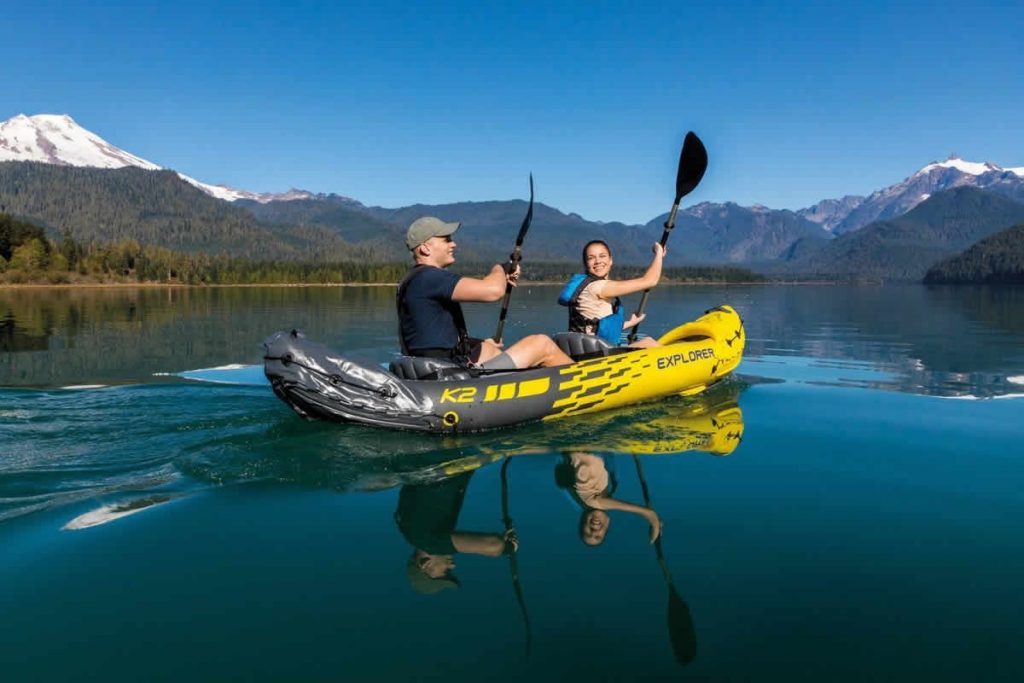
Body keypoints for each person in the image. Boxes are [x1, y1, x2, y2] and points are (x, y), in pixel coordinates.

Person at [398, 216, 573, 369]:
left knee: (488, 348)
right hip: (447, 376)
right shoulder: (431, 277)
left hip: (433, 368)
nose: (453, 244)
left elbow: (431, 340)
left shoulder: (413, 280)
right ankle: (587, 384)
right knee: (541, 344)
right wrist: (501, 268)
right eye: (446, 239)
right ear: (425, 248)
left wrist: (475, 344)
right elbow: (493, 292)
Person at [395, 471, 518, 595]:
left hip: (445, 467)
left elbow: (493, 545)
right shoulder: (408, 529)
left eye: (446, 572)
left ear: (425, 566)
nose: (452, 566)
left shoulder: (429, 543)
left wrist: (508, 548)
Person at [558, 240, 666, 348]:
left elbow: (595, 328)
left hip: (592, 351)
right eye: (591, 258)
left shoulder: (587, 286)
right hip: (598, 355)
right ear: (586, 264)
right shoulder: (598, 287)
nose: (597, 261)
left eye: (602, 256)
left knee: (647, 341)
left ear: (610, 260)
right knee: (649, 342)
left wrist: (630, 323)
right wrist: (659, 253)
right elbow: (650, 281)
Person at [555, 452, 662, 546]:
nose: (593, 531)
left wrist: (652, 518)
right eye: (598, 536)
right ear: (607, 523)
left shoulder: (589, 501)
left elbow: (649, 513)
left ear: (583, 521)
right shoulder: (610, 487)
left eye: (587, 533)